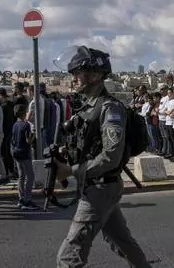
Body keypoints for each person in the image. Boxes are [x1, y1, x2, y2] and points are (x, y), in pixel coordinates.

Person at [52, 45, 152, 268]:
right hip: (98, 185)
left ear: (96, 75)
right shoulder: (89, 107)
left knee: (69, 256)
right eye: (73, 74)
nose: (74, 78)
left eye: (79, 73)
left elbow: (111, 157)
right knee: (122, 242)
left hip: (101, 187)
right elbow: (89, 145)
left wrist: (72, 171)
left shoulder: (110, 109)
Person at [11, 104, 38, 210]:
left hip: (16, 152)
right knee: (30, 177)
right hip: (25, 153)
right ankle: (27, 200)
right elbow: (28, 141)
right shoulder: (26, 125)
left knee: (21, 176)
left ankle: (21, 198)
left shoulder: (15, 124)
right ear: (24, 113)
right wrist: (34, 134)